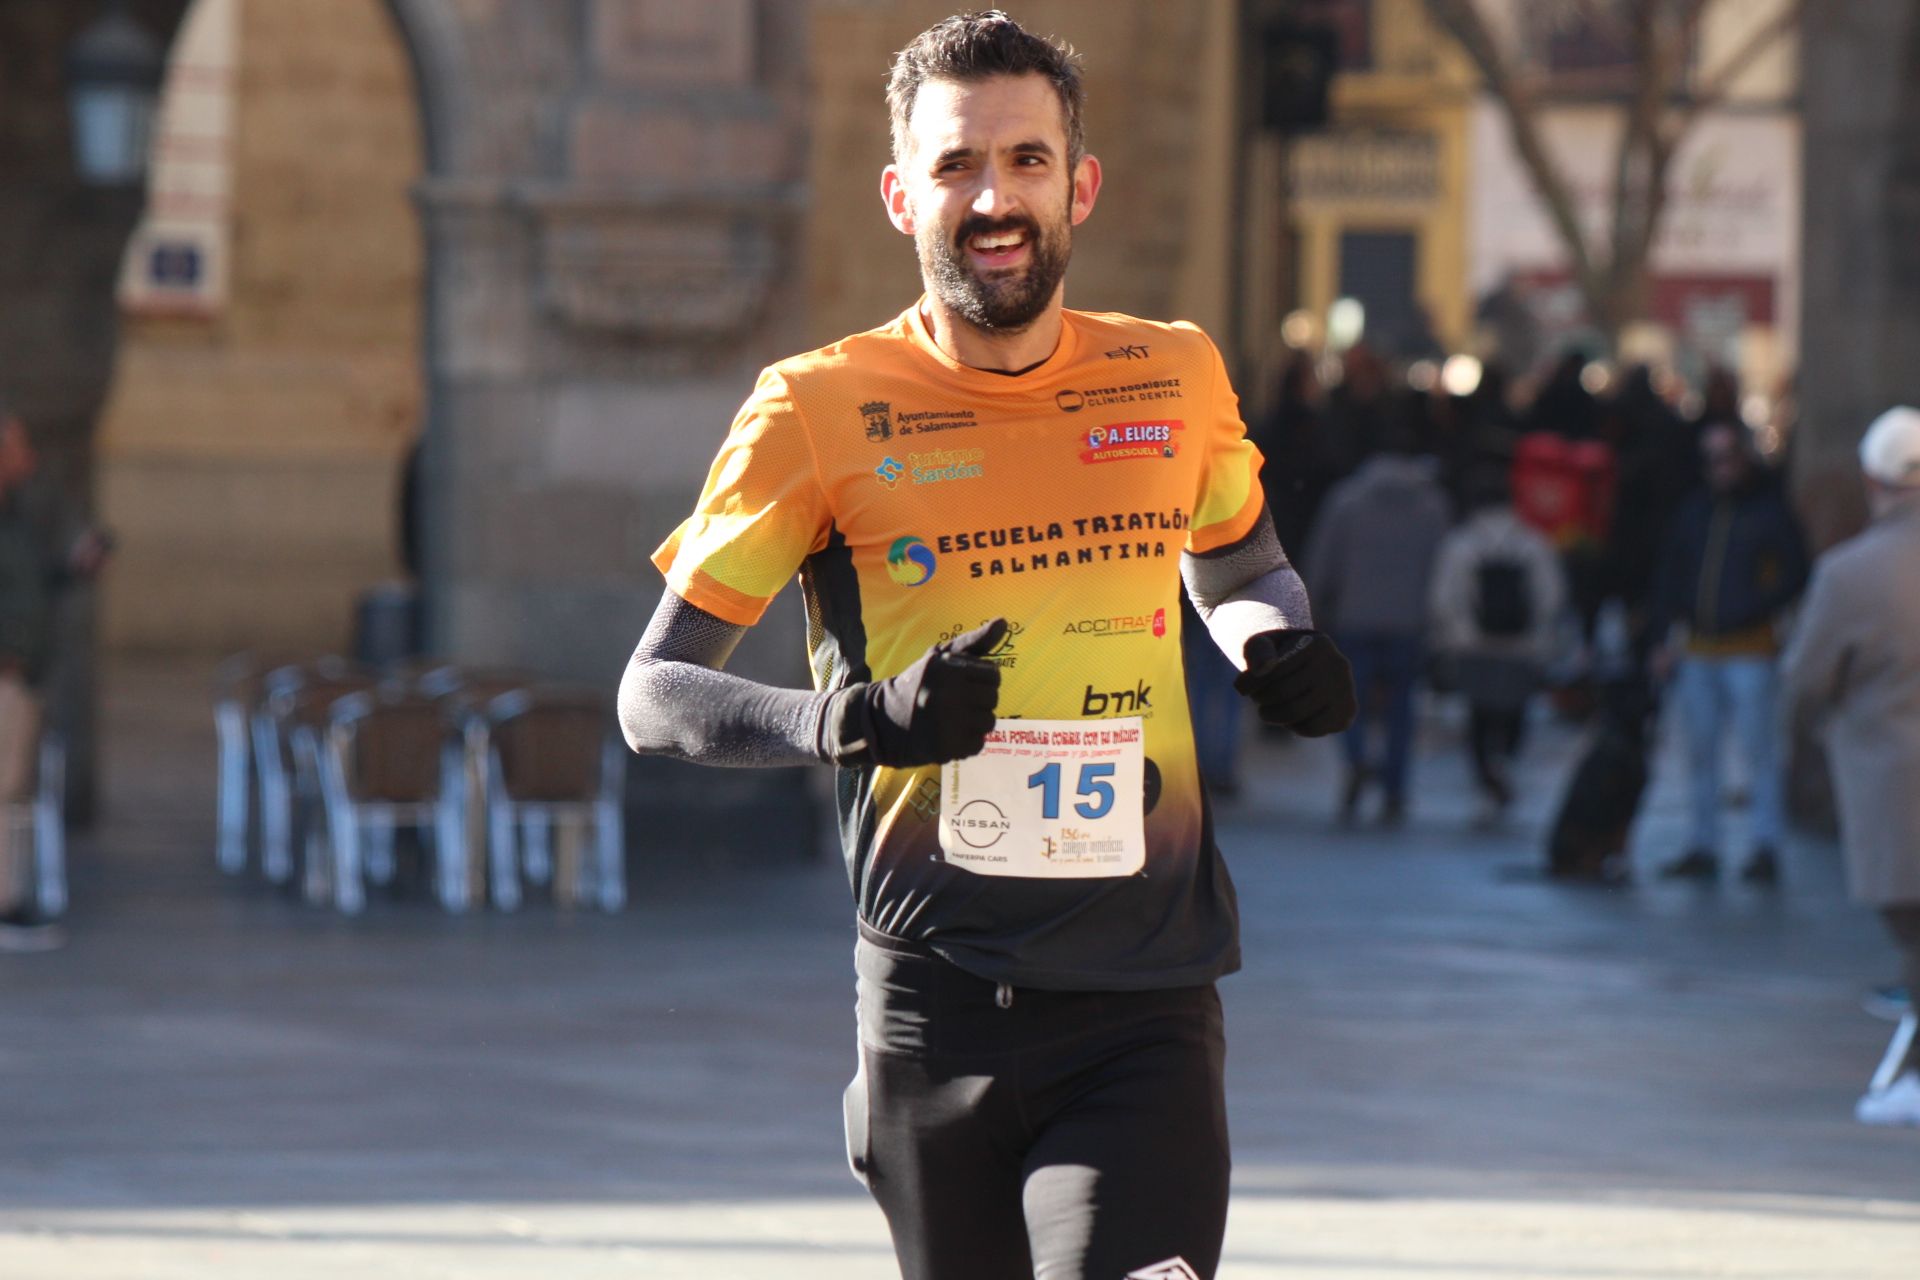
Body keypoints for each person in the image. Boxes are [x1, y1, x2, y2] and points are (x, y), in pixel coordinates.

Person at [616, 14, 1356, 1279]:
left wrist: (1269, 636)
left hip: (1148, 995)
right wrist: (851, 721)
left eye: (1025, 159)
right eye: (958, 164)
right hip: (933, 1007)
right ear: (904, 194)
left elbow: (1237, 556)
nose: (994, 197)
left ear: (1080, 184)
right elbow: (653, 693)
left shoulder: (1172, 376)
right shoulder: (816, 406)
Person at [1779, 406, 1920, 1126]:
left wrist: (1797, 744)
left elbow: (1806, 681)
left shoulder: (1850, 573)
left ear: (1874, 480)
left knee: (1913, 926)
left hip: (1895, 788)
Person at [1647, 419, 1808, 884]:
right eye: (1711, 458)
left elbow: (1794, 570)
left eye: (1727, 456)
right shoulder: (1694, 511)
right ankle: (1703, 843)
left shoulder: (1768, 512)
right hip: (1698, 648)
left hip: (1749, 648)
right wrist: (1663, 635)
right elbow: (1670, 574)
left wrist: (1755, 606)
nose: (1719, 467)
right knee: (1700, 752)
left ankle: (1765, 845)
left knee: (1759, 751)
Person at [1303, 415, 1450, 825]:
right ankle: (1395, 787)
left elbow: (1322, 560)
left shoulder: (1347, 500)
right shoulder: (1432, 505)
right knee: (1402, 706)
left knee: (1350, 700)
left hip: (1355, 617)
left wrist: (1314, 607)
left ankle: (1356, 761)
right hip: (1409, 620)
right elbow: (1443, 567)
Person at [0, 406, 104, 951]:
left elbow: (27, 588)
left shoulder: (17, 519)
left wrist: (72, 567)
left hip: (20, 676)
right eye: (15, 447)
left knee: (10, 792)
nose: (27, 459)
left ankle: (9, 898)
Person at [1428, 462, 1566, 824]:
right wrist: (1541, 633)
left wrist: (1454, 634)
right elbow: (1551, 595)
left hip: (1474, 646)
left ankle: (1486, 775)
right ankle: (1504, 763)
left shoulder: (1462, 543)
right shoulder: (1532, 541)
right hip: (1521, 647)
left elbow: (1444, 597)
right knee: (1514, 711)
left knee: (1479, 713)